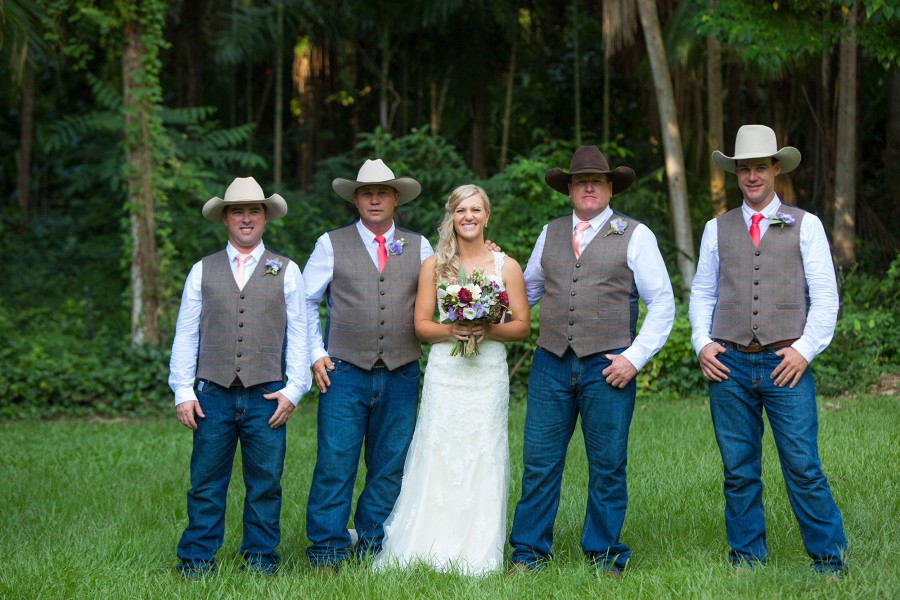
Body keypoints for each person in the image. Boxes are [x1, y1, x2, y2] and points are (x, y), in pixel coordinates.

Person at [509, 146, 675, 577]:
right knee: (540, 461)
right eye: (580, 180)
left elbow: (663, 304)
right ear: (568, 188)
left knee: (607, 464)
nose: (588, 186)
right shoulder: (550, 233)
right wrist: (481, 294)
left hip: (609, 367)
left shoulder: (636, 235)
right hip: (550, 363)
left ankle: (604, 555)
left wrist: (633, 358)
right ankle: (527, 554)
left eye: (596, 181)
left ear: (608, 187)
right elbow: (525, 293)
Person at [689, 124, 846, 575]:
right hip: (729, 362)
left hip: (785, 362)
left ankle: (829, 559)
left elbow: (825, 296)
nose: (753, 176)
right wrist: (702, 343)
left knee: (802, 464)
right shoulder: (715, 229)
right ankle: (746, 558)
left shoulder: (806, 224)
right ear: (736, 174)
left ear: (776, 168)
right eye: (745, 169)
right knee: (738, 469)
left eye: (760, 167)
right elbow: (702, 293)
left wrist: (804, 350)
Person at [374, 185, 530, 575]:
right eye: (461, 210)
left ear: (487, 216)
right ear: (452, 216)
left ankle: (479, 548)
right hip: (446, 371)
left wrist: (488, 329)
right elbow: (422, 325)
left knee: (483, 451)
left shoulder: (506, 266)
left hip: (487, 373)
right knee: (438, 447)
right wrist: (453, 331)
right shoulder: (434, 265)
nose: (469, 216)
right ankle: (427, 542)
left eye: (476, 209)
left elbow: (524, 327)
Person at [169, 176, 311, 577]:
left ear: (265, 217)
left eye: (253, 211)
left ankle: (261, 560)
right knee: (206, 483)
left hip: (266, 394)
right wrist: (183, 389)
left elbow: (300, 331)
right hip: (211, 393)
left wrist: (294, 389)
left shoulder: (286, 269)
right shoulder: (203, 270)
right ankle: (197, 559)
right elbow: (187, 332)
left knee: (265, 483)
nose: (245, 219)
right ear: (225, 219)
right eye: (237, 212)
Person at [302, 159, 433, 571]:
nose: (374, 198)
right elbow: (303, 302)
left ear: (395, 198)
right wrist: (315, 353)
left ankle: (375, 543)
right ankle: (327, 549)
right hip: (344, 371)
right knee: (334, 462)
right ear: (356, 199)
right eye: (366, 192)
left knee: (389, 463)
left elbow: (447, 292)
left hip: (401, 372)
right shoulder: (330, 243)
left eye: (382, 192)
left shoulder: (420, 246)